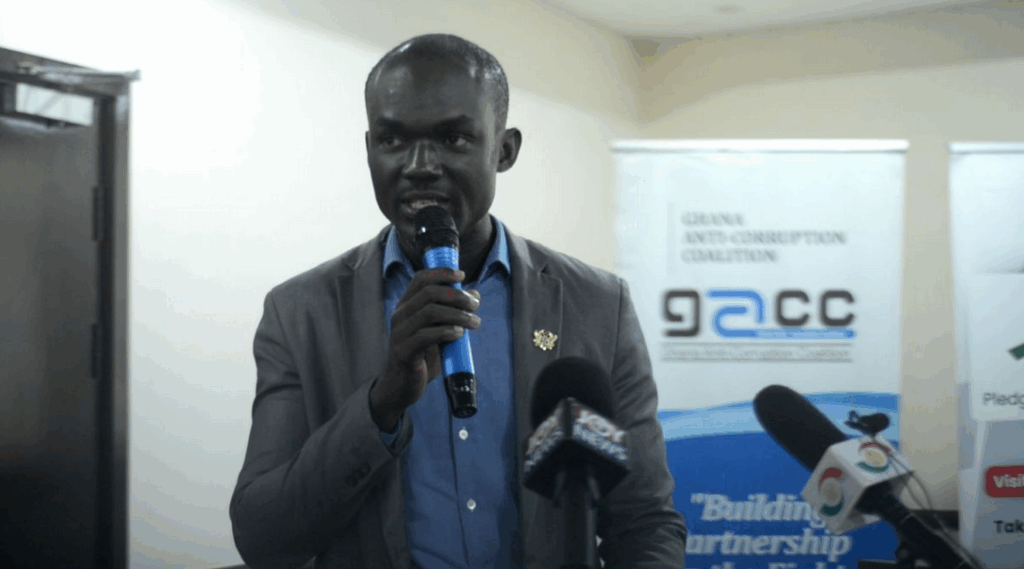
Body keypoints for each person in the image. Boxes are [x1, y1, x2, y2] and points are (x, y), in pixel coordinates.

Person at [230, 33, 687, 569]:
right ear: (369, 149)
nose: (419, 165)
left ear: (504, 150)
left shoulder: (596, 307)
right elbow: (263, 537)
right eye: (392, 140)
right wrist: (381, 404)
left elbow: (642, 521)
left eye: (452, 139)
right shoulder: (300, 313)